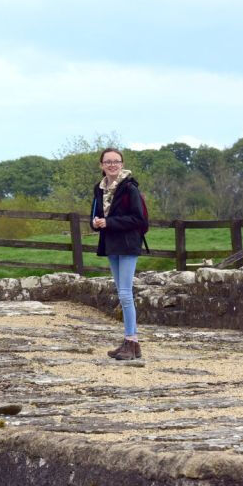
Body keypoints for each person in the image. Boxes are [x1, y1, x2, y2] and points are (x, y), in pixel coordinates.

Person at [90, 147, 147, 360]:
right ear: (102, 166)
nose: (112, 165)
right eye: (108, 162)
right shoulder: (99, 189)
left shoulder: (130, 188)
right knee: (121, 293)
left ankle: (131, 341)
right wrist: (95, 223)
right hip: (111, 244)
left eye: (116, 161)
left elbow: (139, 219)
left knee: (125, 293)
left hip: (128, 243)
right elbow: (95, 215)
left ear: (122, 164)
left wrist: (109, 222)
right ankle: (132, 344)